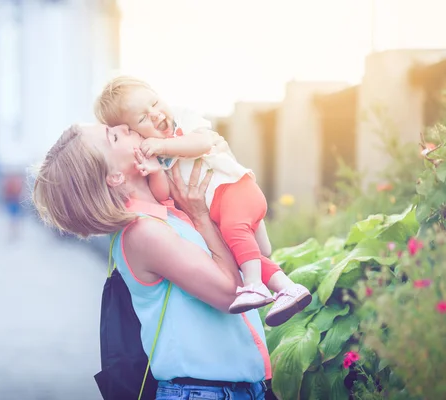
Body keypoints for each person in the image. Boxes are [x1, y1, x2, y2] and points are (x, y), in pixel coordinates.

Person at [33, 124, 270, 399]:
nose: (124, 125)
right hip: (203, 392)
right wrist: (202, 217)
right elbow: (232, 295)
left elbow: (261, 252)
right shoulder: (144, 233)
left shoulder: (167, 216)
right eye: (114, 136)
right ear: (116, 176)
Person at [94, 76, 311, 325]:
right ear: (133, 131)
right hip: (220, 208)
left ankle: (254, 285)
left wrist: (163, 146)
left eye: (154, 102)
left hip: (234, 190)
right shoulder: (152, 148)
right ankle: (288, 289)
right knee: (247, 254)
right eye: (142, 118)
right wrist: (154, 170)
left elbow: (203, 142)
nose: (154, 114)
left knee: (235, 232)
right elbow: (163, 193)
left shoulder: (182, 119)